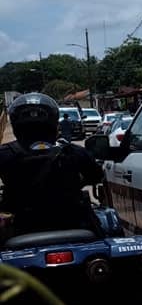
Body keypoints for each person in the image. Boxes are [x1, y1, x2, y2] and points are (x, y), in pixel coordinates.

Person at [0, 92, 104, 237]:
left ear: (16, 126)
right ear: (54, 124)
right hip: (75, 225)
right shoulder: (73, 152)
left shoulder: (5, 154)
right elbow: (96, 176)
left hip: (21, 229)